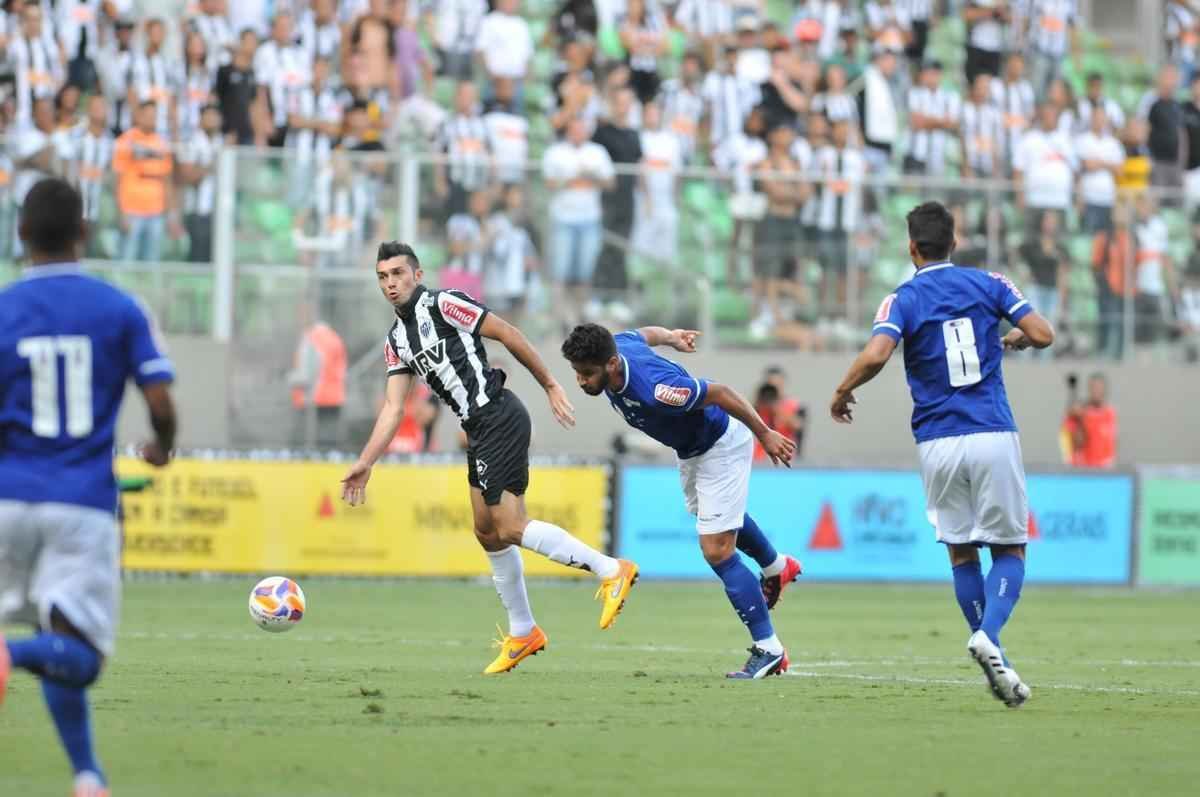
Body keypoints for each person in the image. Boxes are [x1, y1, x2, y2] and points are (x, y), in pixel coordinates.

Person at [341, 242, 638, 674]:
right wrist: (366, 461)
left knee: (510, 526)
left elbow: (507, 333)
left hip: (498, 414)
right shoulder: (396, 342)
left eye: (398, 274)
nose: (391, 283)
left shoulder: (444, 305)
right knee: (487, 532)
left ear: (417, 274)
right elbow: (392, 408)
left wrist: (551, 385)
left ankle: (610, 569)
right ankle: (524, 632)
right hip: (477, 429)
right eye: (383, 277)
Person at [829, 201, 1054, 708]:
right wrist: (1014, 336)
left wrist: (841, 391)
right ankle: (989, 637)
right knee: (1011, 549)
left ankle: (991, 649)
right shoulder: (990, 283)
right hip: (992, 431)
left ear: (912, 248)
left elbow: (876, 354)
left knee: (961, 550)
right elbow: (1044, 334)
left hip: (936, 441)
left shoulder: (902, 298)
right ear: (955, 243)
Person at [0, 177, 177, 797]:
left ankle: (87, 776)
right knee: (78, 650)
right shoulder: (118, 308)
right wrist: (162, 447)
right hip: (81, 504)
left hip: (6, 499)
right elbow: (159, 399)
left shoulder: (3, 309)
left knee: (56, 633)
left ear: (19, 234)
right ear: (85, 232)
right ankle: (11, 657)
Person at [562, 323, 802, 679]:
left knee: (717, 549)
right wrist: (672, 337)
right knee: (716, 520)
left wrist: (764, 434)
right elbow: (643, 334)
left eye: (586, 374)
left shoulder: (657, 390)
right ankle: (777, 567)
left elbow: (720, 393)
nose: (581, 381)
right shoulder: (618, 345)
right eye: (577, 373)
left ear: (612, 364)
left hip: (719, 444)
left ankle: (769, 649)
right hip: (691, 449)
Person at [112, 100, 177, 263]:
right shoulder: (125, 141)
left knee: (152, 262)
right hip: (131, 211)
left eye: (154, 115)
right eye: (147, 115)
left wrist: (170, 214)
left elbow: (167, 180)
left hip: (156, 212)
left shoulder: (162, 143)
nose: (151, 118)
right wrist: (121, 212)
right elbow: (117, 179)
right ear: (138, 116)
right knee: (127, 259)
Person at [288, 304, 347, 449]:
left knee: (308, 444)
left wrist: (291, 379)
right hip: (334, 397)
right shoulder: (335, 338)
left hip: (313, 400)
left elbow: (309, 372)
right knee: (329, 444)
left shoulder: (312, 338)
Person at [1061, 373, 1117, 468]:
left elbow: (1112, 442)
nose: (1097, 391)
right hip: (1085, 468)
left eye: (1099, 388)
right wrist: (1079, 420)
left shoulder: (1110, 413)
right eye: (1094, 388)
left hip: (1106, 467)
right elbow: (1076, 442)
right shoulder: (1080, 413)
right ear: (1089, 389)